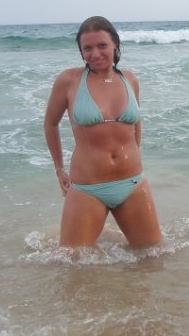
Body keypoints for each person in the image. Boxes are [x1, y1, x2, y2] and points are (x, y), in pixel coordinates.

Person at [44, 16, 162, 248]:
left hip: (132, 183)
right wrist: (59, 169)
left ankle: (109, 234)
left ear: (115, 44)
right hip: (88, 187)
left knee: (152, 255)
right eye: (87, 48)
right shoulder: (69, 80)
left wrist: (135, 155)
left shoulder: (130, 79)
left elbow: (135, 123)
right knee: (72, 261)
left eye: (102, 45)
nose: (95, 54)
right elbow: (50, 123)